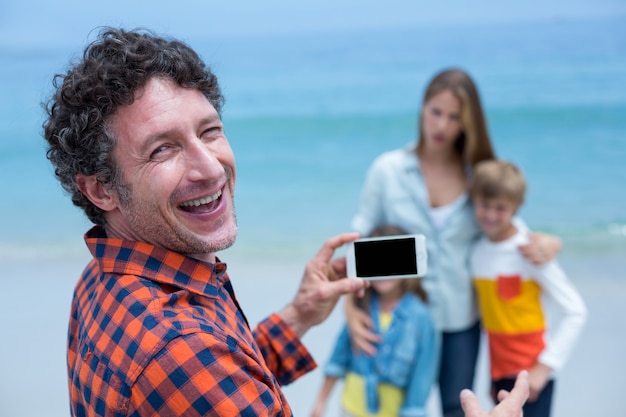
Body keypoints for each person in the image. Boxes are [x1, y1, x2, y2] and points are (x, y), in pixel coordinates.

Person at [42, 28, 527, 417]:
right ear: (100, 189)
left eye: (210, 130)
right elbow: (196, 369)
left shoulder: (101, 279)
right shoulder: (177, 349)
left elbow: (222, 378)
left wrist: (298, 316)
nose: (210, 166)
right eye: (162, 148)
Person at [346, 68, 562, 417]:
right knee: (392, 406)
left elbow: (510, 229)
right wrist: (351, 310)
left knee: (456, 407)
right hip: (402, 316)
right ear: (422, 109)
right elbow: (355, 246)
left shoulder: (479, 175)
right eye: (436, 112)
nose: (442, 125)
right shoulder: (387, 170)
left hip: (461, 321)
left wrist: (552, 244)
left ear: (469, 122)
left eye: (454, 117)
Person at [469, 160, 587, 417]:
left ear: (517, 206)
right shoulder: (477, 253)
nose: (490, 214)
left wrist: (545, 367)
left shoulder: (531, 250)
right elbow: (494, 320)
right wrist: (493, 375)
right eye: (484, 204)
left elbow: (576, 311)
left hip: (533, 376)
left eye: (500, 208)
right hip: (500, 374)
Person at [311, 225, 438, 417]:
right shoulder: (361, 308)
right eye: (377, 261)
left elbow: (422, 376)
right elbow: (338, 358)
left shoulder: (421, 318)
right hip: (350, 408)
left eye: (391, 261)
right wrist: (320, 403)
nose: (383, 270)